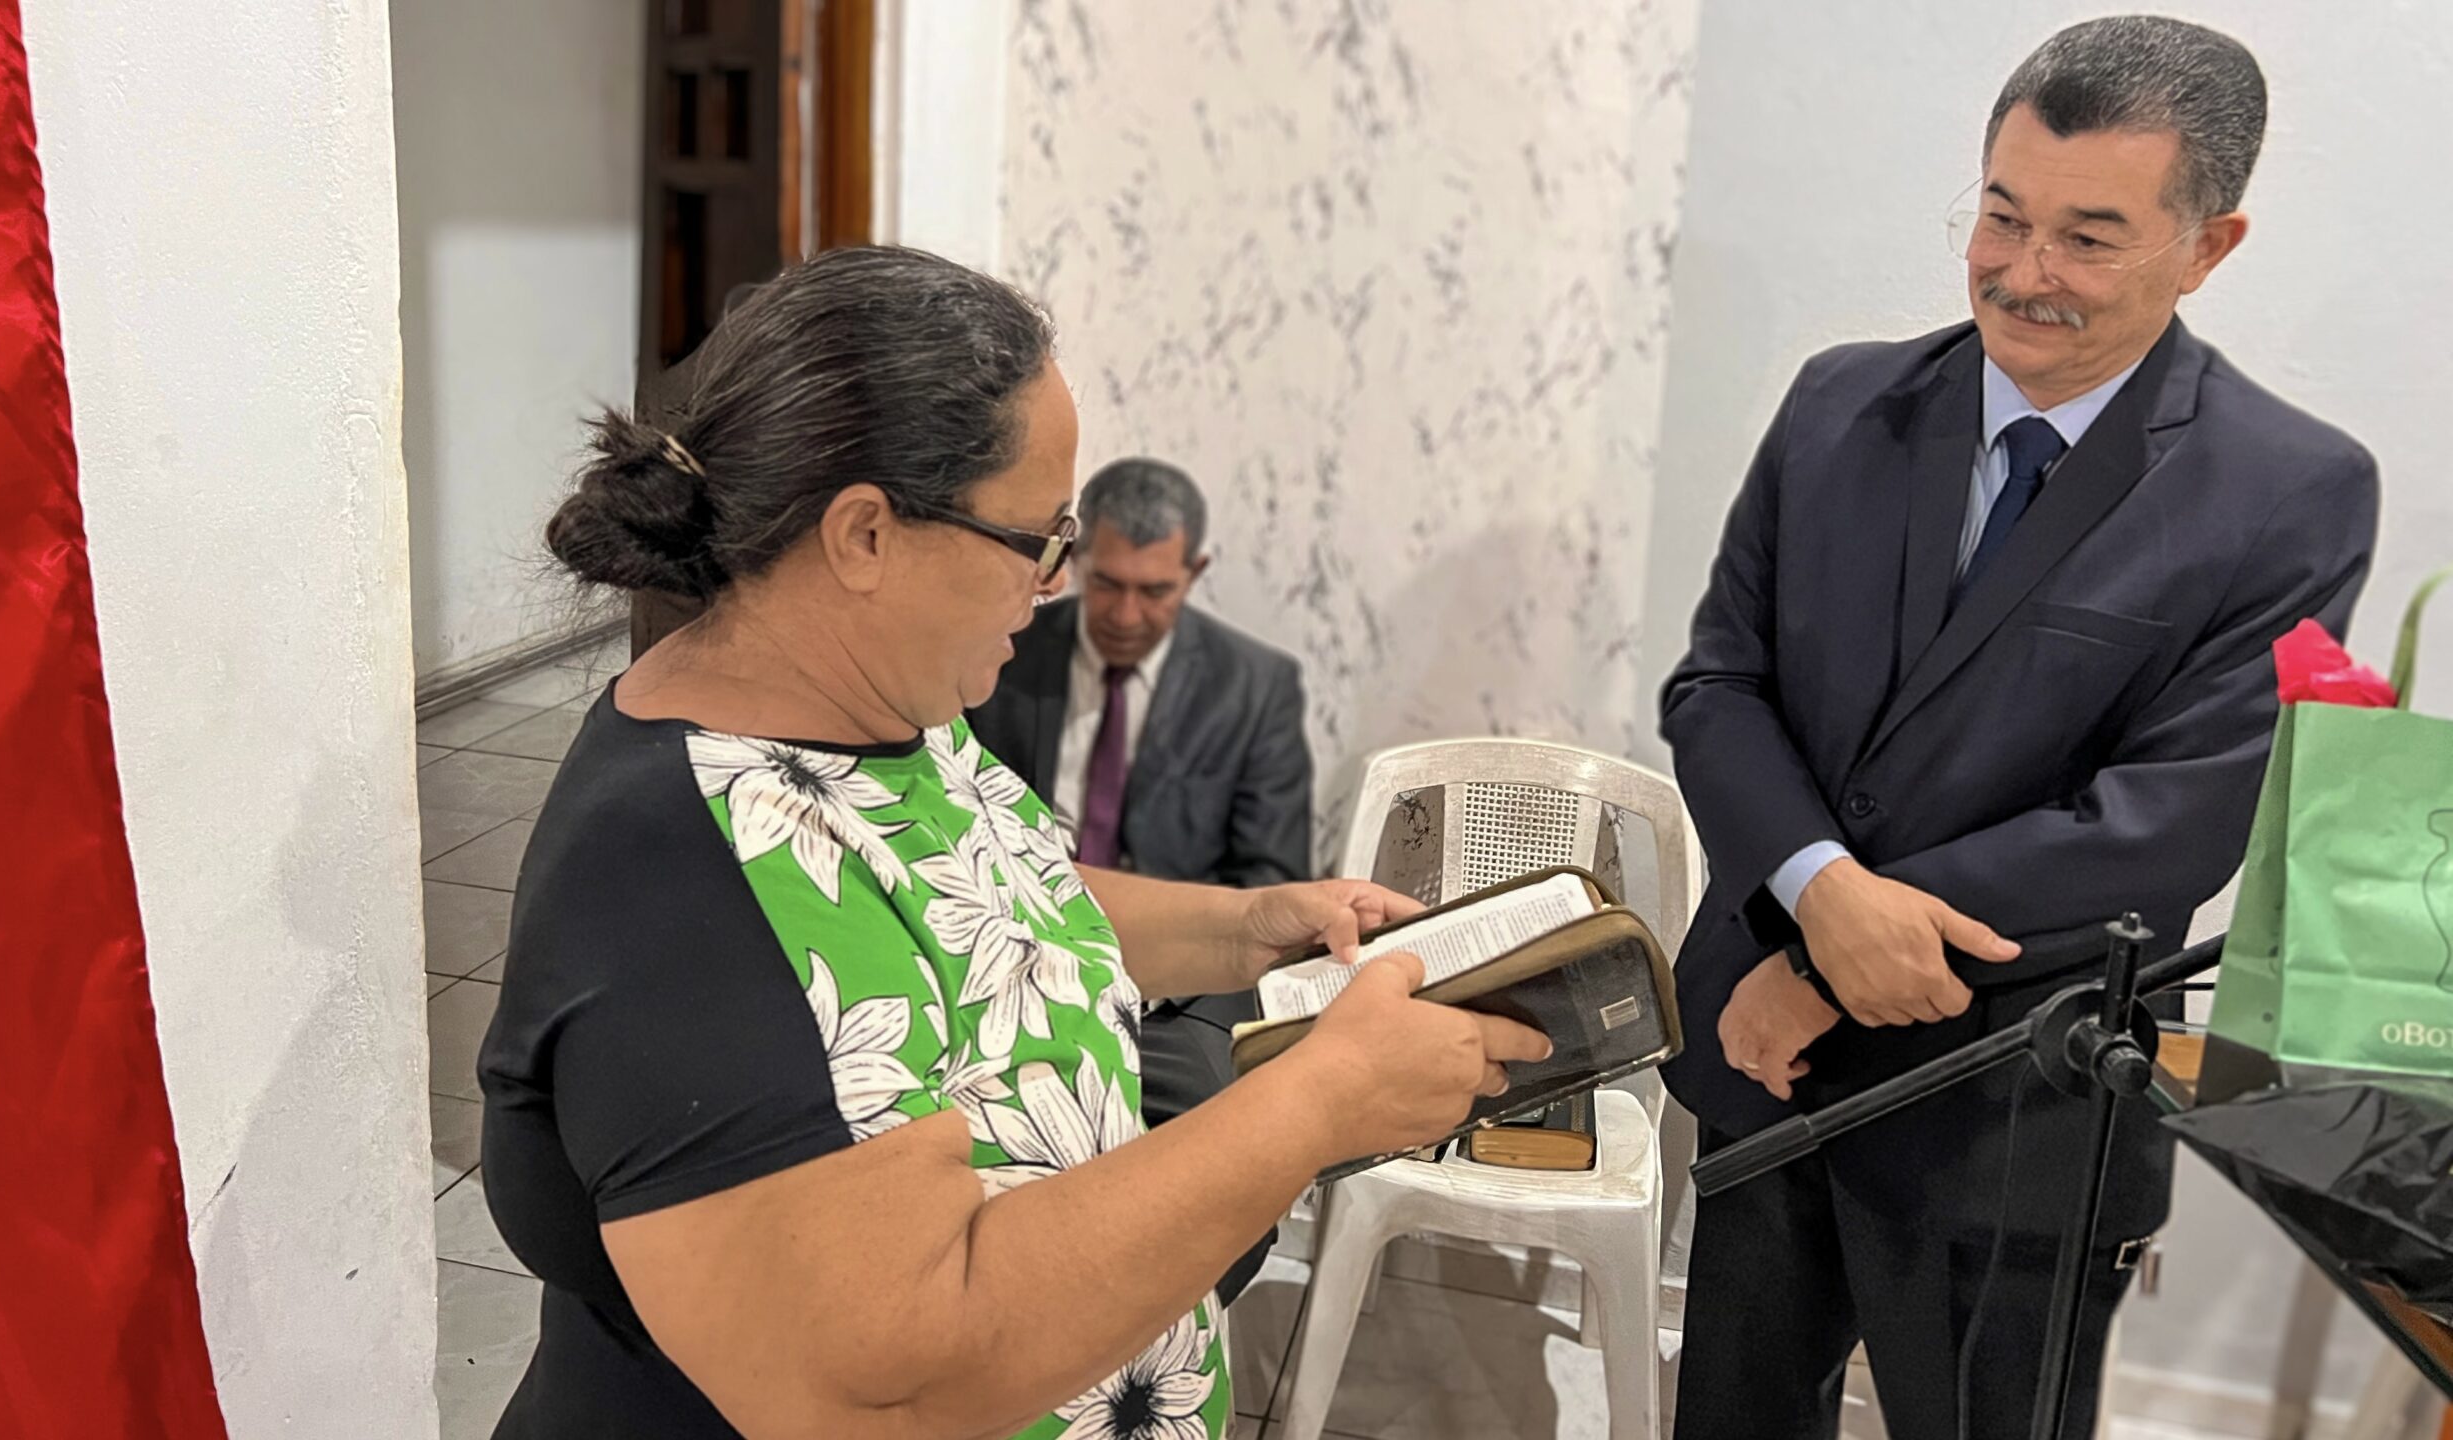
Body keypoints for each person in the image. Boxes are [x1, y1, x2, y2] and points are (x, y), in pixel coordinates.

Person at [476, 245, 1552, 1440]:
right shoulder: (680, 885)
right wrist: (1322, 1101)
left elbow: (982, 903)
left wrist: (1245, 930)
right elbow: (896, 1380)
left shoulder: (884, 711)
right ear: (864, 536)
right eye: (1037, 541)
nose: (1052, 586)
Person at [1658, 19, 2378, 1439]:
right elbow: (1718, 688)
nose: (2021, 271)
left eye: (2087, 239)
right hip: (1763, 1062)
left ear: (2209, 246)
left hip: (2013, 1099)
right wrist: (1820, 898)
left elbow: (2168, 824)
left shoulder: (2288, 490)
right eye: (2001, 216)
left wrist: (1831, 965)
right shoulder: (1839, 405)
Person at [969, 456, 1315, 1302]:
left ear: (1194, 572)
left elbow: (1268, 878)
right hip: (1016, 958)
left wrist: (1171, 966)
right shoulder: (999, 651)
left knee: (1226, 1174)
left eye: (1154, 591)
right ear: (1077, 559)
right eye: (1108, 584)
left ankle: (1157, 1346)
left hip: (1180, 995)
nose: (1126, 615)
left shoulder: (1254, 687)